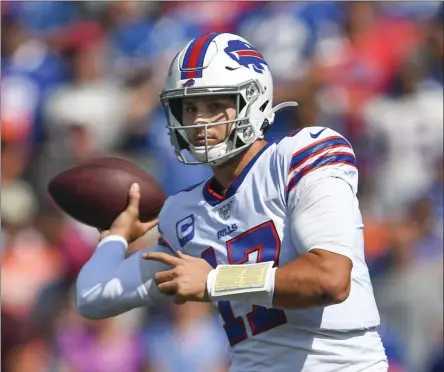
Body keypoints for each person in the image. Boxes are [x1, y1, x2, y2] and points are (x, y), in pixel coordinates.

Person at [76, 32, 388, 371]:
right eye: (189, 107)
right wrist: (117, 237)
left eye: (214, 105)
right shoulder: (184, 213)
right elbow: (94, 297)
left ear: (253, 101)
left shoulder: (300, 156)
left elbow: (330, 279)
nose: (198, 121)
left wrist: (214, 282)